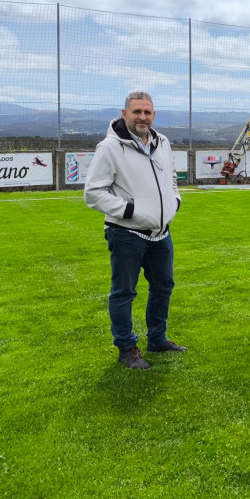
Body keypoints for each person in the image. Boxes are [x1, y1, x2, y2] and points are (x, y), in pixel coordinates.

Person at [84, 91, 186, 370]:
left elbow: (172, 178)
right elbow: (93, 193)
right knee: (124, 292)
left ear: (154, 115)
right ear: (124, 113)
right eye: (137, 112)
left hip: (161, 232)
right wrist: (131, 211)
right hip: (126, 234)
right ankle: (126, 348)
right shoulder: (110, 147)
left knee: (163, 286)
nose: (142, 117)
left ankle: (157, 339)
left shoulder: (162, 142)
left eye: (147, 112)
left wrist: (174, 202)